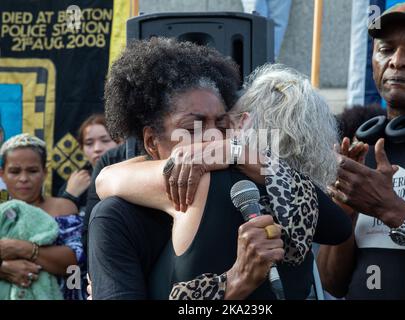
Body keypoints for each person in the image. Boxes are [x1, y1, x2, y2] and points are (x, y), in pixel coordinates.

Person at [90, 40, 351, 300]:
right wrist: (233, 284)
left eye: (223, 126)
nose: (214, 137)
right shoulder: (117, 216)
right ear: (151, 141)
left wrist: (238, 152)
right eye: (193, 128)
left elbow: (336, 227)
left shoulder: (245, 187)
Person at [318, 2, 405, 299]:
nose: (398, 61)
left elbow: (389, 209)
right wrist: (346, 212)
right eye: (386, 49)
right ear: (374, 61)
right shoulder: (359, 146)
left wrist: (390, 209)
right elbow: (331, 282)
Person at [0, 133, 87, 299]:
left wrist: (22, 248)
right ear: (2, 174)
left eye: (32, 171)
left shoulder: (63, 208)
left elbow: (74, 264)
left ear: (45, 173)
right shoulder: (1, 214)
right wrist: (4, 268)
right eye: (15, 171)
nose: (23, 178)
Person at [58, 114, 118, 212]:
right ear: (82, 149)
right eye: (89, 143)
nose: (97, 148)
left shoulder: (131, 176)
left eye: (105, 140)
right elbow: (58, 223)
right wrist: (69, 195)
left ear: (120, 142)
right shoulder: (76, 182)